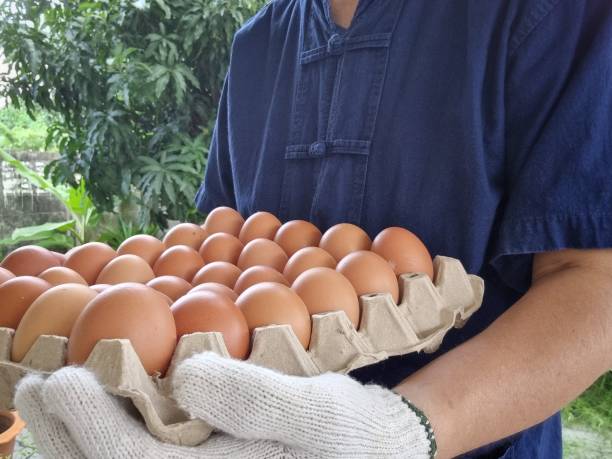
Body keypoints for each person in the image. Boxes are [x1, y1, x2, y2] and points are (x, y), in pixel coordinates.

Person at [15, 0, 612, 457]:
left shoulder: (546, 15)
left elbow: (594, 284)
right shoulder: (257, 47)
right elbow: (218, 261)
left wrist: (401, 432)